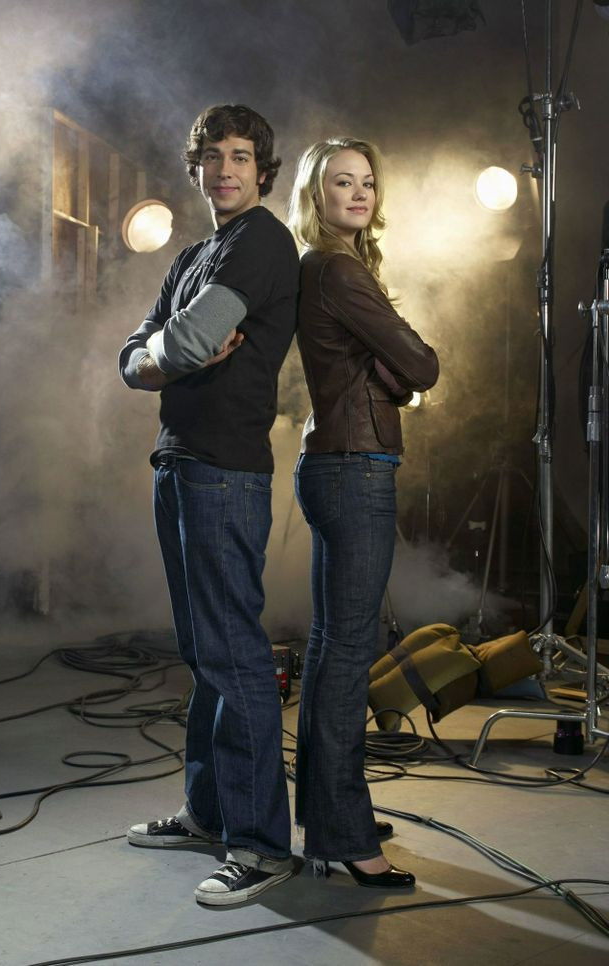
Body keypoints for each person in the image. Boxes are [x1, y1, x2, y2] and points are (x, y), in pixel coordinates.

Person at [118, 104, 299, 906]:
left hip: (225, 471)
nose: (225, 169)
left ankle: (261, 847)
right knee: (203, 653)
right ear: (195, 169)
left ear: (263, 170)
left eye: (241, 156)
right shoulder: (194, 255)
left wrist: (166, 356)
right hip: (180, 462)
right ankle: (209, 814)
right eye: (212, 156)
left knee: (234, 656)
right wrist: (164, 359)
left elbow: (181, 345)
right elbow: (134, 357)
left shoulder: (262, 242)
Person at [287, 137, 439, 888]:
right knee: (350, 649)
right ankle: (344, 832)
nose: (358, 193)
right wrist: (400, 373)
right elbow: (423, 365)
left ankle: (328, 811)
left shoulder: (327, 267)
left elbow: (400, 371)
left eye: (367, 182)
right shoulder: (339, 270)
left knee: (332, 647)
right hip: (354, 466)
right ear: (316, 194)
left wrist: (395, 372)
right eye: (342, 181)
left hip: (332, 462)